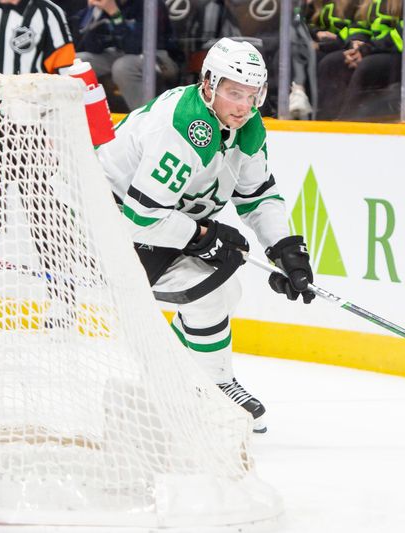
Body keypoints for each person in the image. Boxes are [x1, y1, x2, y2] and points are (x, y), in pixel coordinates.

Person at [94, 37, 315, 433]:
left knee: (224, 292)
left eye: (253, 94)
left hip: (155, 221)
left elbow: (258, 194)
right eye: (234, 93)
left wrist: (284, 248)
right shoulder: (181, 127)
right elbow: (143, 216)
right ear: (210, 85)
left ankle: (181, 382)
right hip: (107, 225)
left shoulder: (244, 125)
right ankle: (211, 388)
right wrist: (203, 235)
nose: (244, 105)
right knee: (211, 291)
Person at [0, 0, 78, 327]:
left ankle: (62, 298)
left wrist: (53, 126)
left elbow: (65, 75)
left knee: (44, 211)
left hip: (30, 127)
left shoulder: (47, 13)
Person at [71, 0, 180, 111]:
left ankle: (144, 120)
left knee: (123, 67)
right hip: (121, 53)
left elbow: (136, 47)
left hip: (158, 56)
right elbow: (90, 47)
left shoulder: (150, 4)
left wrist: (115, 14)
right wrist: (92, 15)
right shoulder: (109, 4)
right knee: (76, 62)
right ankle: (84, 119)